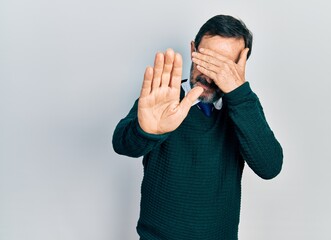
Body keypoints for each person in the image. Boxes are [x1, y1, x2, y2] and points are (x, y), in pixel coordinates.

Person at [112, 14, 283, 240]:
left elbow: (270, 167)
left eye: (223, 65)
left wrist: (239, 93)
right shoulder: (165, 98)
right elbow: (122, 144)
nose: (210, 73)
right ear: (193, 49)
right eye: (206, 59)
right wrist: (147, 131)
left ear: (239, 68)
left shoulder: (244, 108)